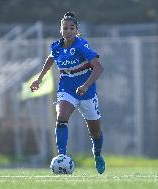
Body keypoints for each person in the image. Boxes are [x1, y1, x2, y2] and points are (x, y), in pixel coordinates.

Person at [30, 11, 105, 174]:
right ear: (61, 30)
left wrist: (85, 86)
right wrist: (39, 78)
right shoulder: (57, 47)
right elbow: (50, 59)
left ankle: (97, 154)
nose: (68, 31)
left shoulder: (81, 46)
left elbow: (99, 67)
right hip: (67, 88)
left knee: (95, 131)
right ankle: (62, 155)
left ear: (76, 30)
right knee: (61, 116)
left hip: (87, 91)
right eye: (65, 28)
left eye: (72, 28)